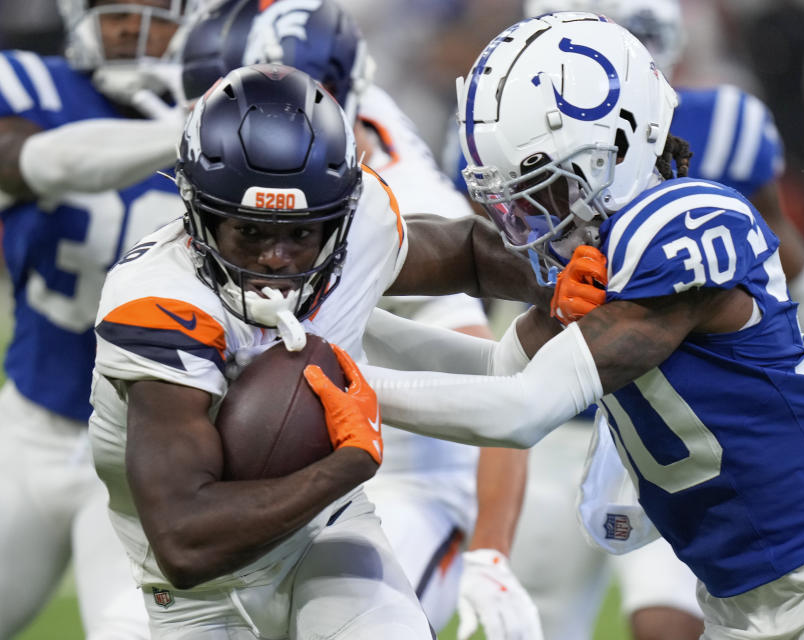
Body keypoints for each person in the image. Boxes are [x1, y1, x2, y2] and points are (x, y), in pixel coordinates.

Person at [351, 13, 804, 640]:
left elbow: (517, 410)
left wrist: (342, 385)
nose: (523, 219)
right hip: (737, 602)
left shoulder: (682, 224)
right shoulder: (600, 252)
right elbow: (497, 367)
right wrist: (348, 321)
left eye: (543, 189)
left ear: (615, 152)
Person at [177, 1, 541, 637]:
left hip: (401, 478)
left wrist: (490, 549)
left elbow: (497, 389)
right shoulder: (315, 139)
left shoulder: (383, 210)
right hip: (280, 467)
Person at [88, 63, 441, 639]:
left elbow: (466, 252)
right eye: (251, 232)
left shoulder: (363, 222)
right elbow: (184, 543)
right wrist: (349, 462)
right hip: (199, 594)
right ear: (199, 215)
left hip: (326, 533)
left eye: (301, 233)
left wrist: (555, 285)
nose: (277, 258)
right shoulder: (156, 302)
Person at [0, 0, 197, 635]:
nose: (129, 25)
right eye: (114, 8)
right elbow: (27, 161)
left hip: (141, 461)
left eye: (154, 10)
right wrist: (192, 132)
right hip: (28, 428)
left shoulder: (237, 108)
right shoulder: (31, 85)